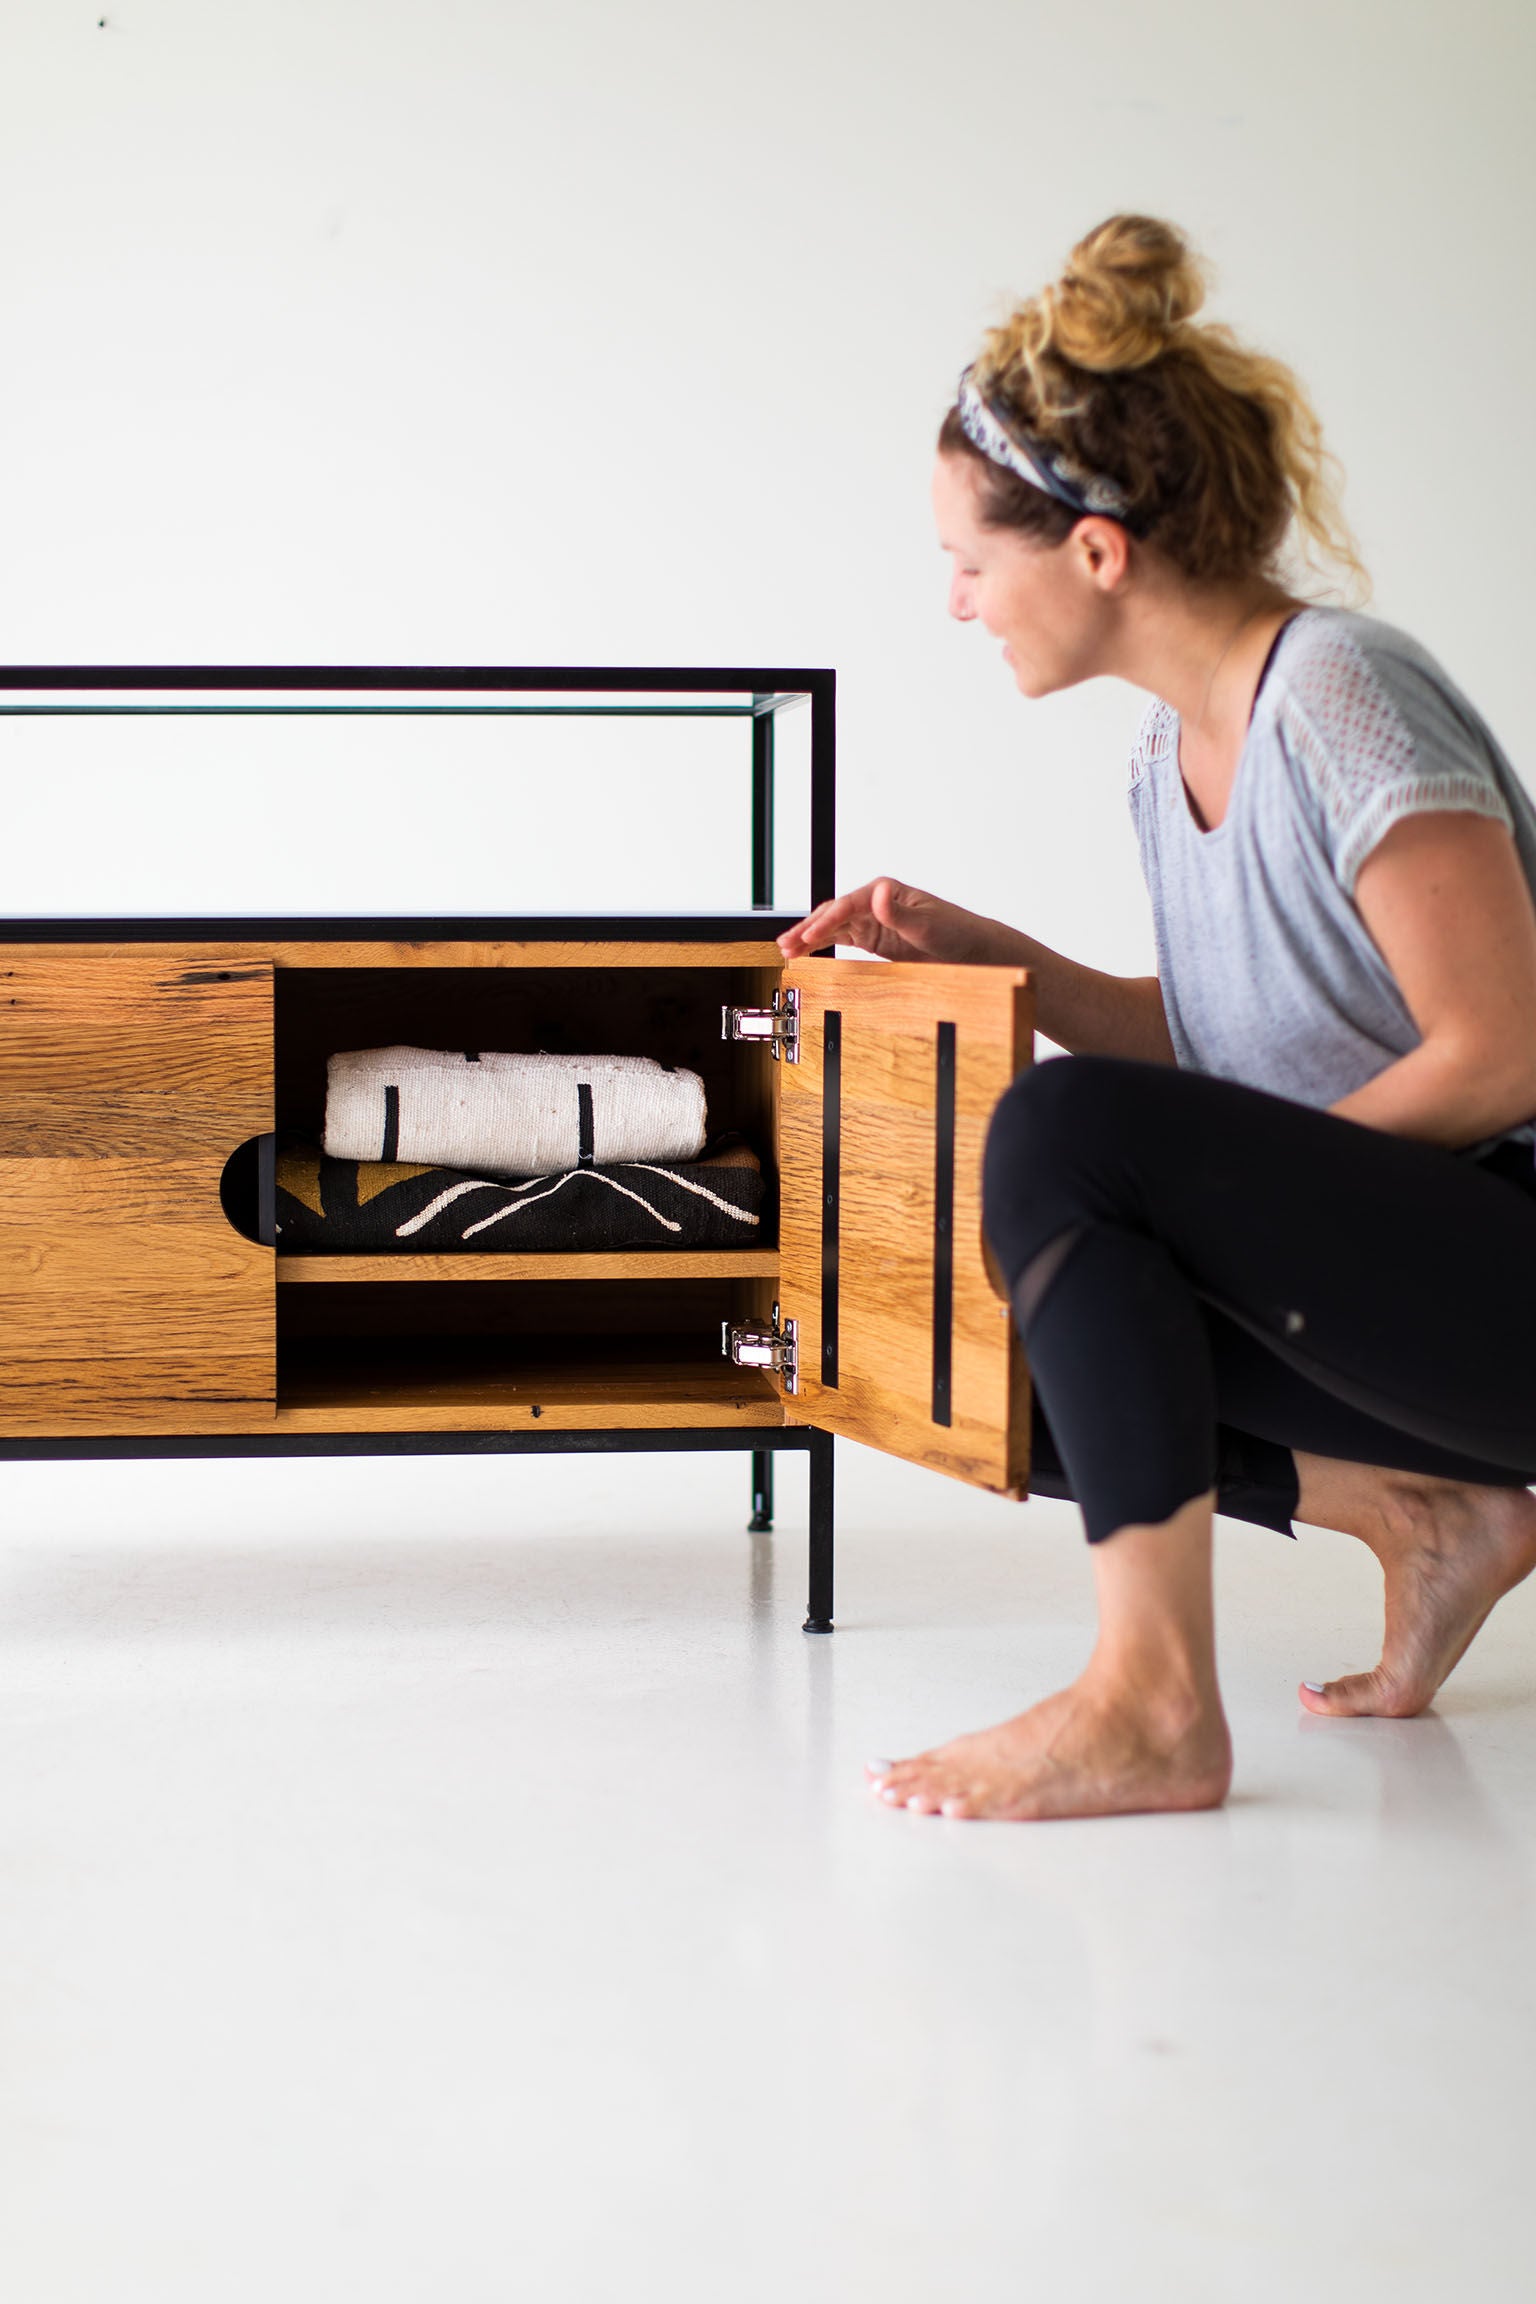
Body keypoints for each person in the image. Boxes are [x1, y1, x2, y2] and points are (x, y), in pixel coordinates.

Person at [777, 213, 1536, 1823]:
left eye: (972, 564)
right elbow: (1230, 1050)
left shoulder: (1340, 690)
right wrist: (1008, 964)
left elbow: (1505, 1047)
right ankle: (1425, 1513)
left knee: (1057, 1147)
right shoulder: (1161, 758)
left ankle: (1151, 1705)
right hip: (1421, 1294)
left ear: (1098, 554)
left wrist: (1262, 1197)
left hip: (1512, 1259)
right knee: (980, 1315)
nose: (961, 605)